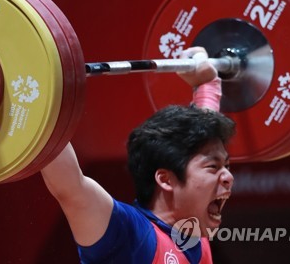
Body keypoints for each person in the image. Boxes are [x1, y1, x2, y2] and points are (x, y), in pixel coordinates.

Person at [40, 47, 236, 263]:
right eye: (213, 167)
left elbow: (203, 136)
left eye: (226, 165)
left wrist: (207, 85)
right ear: (165, 179)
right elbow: (70, 188)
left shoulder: (193, 234)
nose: (229, 177)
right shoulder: (130, 236)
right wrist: (38, 95)